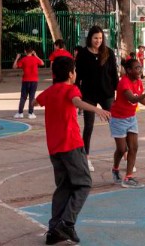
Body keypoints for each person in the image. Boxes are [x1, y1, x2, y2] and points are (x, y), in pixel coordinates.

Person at [34, 56, 111, 245]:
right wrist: (96, 109)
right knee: (84, 184)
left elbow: (37, 102)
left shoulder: (50, 91)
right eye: (74, 71)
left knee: (64, 187)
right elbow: (76, 101)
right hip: (71, 145)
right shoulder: (71, 88)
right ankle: (67, 223)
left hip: (54, 148)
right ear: (70, 74)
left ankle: (54, 231)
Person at [110, 58, 145, 189]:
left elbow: (139, 99)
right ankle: (115, 169)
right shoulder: (123, 83)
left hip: (131, 118)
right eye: (137, 68)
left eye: (140, 67)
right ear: (128, 70)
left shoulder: (138, 82)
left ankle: (128, 178)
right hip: (118, 119)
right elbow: (133, 98)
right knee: (122, 149)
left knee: (134, 147)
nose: (140, 70)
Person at [75, 26, 119, 172]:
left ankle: (123, 153)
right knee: (88, 127)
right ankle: (86, 157)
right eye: (95, 38)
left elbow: (114, 74)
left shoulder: (108, 52)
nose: (98, 41)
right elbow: (78, 76)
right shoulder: (82, 54)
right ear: (90, 38)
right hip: (88, 95)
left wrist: (118, 93)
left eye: (100, 38)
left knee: (116, 124)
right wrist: (76, 94)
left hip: (107, 94)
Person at [12, 45, 44, 119]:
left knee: (23, 97)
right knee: (32, 97)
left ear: (25, 51)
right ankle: (31, 113)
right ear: (32, 51)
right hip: (34, 81)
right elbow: (42, 63)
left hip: (26, 80)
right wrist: (36, 56)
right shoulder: (35, 59)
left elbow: (14, 66)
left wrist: (17, 58)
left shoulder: (23, 59)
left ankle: (20, 113)